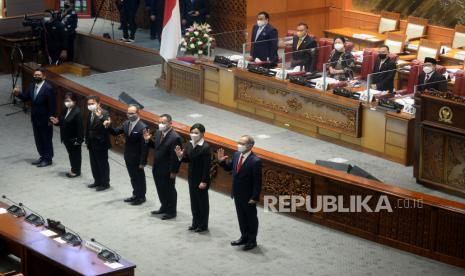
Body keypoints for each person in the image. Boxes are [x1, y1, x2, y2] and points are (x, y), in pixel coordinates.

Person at [217, 135, 262, 251]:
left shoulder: (255, 161)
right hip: (237, 193)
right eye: (239, 142)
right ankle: (244, 237)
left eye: (242, 143)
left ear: (250, 146)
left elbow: (258, 182)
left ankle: (252, 241)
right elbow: (229, 167)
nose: (239, 145)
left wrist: (255, 197)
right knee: (241, 217)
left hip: (248, 196)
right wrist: (222, 162)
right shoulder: (237, 155)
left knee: (251, 219)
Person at [104, 105, 148, 205]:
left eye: (132, 113)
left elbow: (145, 147)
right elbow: (115, 132)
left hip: (137, 158)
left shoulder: (143, 127)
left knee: (139, 178)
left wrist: (143, 162)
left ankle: (141, 197)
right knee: (133, 177)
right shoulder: (126, 123)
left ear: (138, 113)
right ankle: (135, 194)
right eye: (128, 113)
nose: (130, 115)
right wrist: (108, 126)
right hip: (128, 156)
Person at [13, 68, 55, 167]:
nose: (36, 76)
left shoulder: (48, 88)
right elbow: (26, 97)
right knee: (38, 139)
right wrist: (18, 94)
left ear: (44, 76)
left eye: (39, 75)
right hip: (35, 118)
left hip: (45, 119)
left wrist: (51, 119)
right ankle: (42, 156)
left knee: (46, 139)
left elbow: (52, 105)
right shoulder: (32, 85)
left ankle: (48, 159)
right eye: (35, 75)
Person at [143, 114, 182, 220]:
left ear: (170, 123)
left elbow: (176, 157)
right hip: (157, 167)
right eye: (159, 122)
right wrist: (148, 140)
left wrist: (173, 171)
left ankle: (171, 211)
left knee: (169, 190)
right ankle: (164, 206)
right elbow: (157, 148)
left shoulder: (175, 138)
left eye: (163, 122)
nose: (161, 124)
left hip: (168, 170)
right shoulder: (158, 132)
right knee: (160, 189)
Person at [175, 123, 211, 232]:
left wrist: (204, 181)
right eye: (192, 132)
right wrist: (180, 156)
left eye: (196, 133)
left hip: (201, 179)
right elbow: (188, 159)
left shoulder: (205, 147)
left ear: (202, 134)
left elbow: (207, 167)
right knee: (194, 201)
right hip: (191, 178)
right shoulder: (189, 144)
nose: (193, 135)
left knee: (202, 202)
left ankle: (203, 225)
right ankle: (195, 223)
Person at [49, 92, 83, 177]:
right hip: (66, 139)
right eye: (65, 100)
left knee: (75, 155)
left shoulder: (77, 112)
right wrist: (56, 122)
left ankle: (76, 171)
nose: (66, 102)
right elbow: (62, 122)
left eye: (68, 100)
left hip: (73, 139)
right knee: (71, 154)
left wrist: (79, 140)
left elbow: (80, 128)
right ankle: (74, 169)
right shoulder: (65, 110)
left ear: (74, 101)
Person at [85, 95, 111, 191]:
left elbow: (107, 124)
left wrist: (101, 118)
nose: (90, 105)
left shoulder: (104, 113)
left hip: (101, 144)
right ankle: (97, 181)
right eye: (88, 104)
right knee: (94, 163)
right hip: (91, 143)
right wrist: (87, 139)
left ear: (98, 103)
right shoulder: (90, 113)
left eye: (92, 104)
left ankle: (105, 183)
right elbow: (88, 128)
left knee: (102, 164)